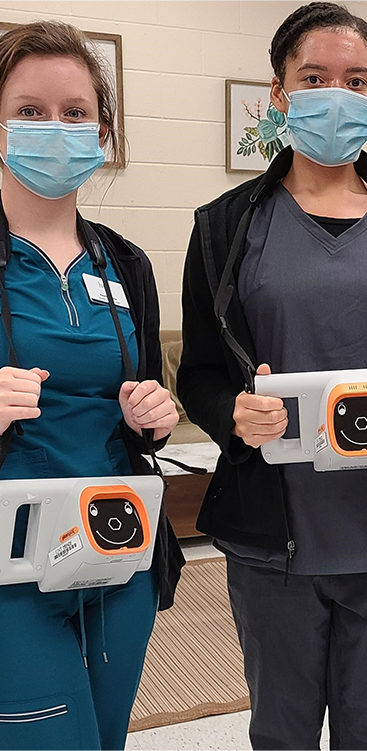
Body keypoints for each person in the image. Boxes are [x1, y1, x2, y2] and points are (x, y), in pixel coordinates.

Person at [177, 3, 367, 748]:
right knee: (281, 731)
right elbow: (203, 376)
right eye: (314, 77)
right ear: (280, 92)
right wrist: (232, 412)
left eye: (356, 79)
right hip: (274, 538)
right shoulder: (224, 228)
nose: (336, 93)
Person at [0, 21, 183, 751]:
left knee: (106, 739)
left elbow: (147, 406)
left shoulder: (126, 263)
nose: (56, 128)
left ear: (102, 132)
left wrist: (156, 414)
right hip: (10, 562)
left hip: (116, 544)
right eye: (30, 111)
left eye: (75, 113)